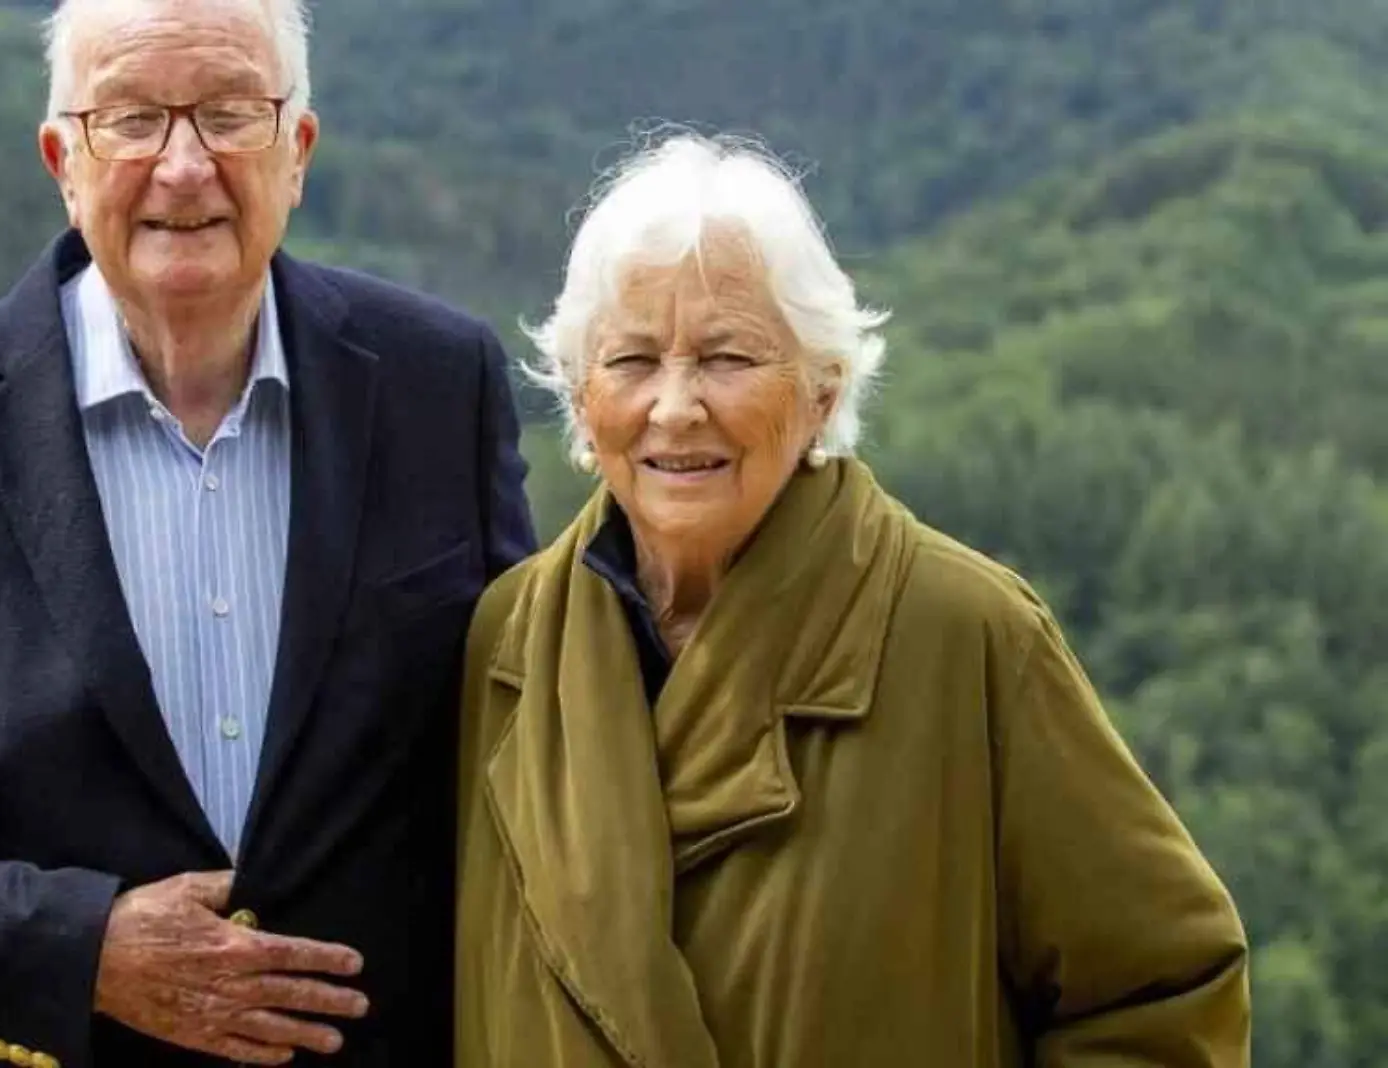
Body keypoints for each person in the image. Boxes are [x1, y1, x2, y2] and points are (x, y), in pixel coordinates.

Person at [0, 0, 535, 1064]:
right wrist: (80, 949)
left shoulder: (442, 383)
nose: (185, 164)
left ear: (297, 150)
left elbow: (530, 725)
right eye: (133, 119)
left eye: (230, 113)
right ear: (63, 158)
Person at [452, 132, 1250, 1067]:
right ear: (582, 401)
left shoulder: (966, 633)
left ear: (824, 389)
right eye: (631, 361)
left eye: (727, 358)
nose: (674, 407)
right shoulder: (507, 643)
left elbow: (1168, 992)